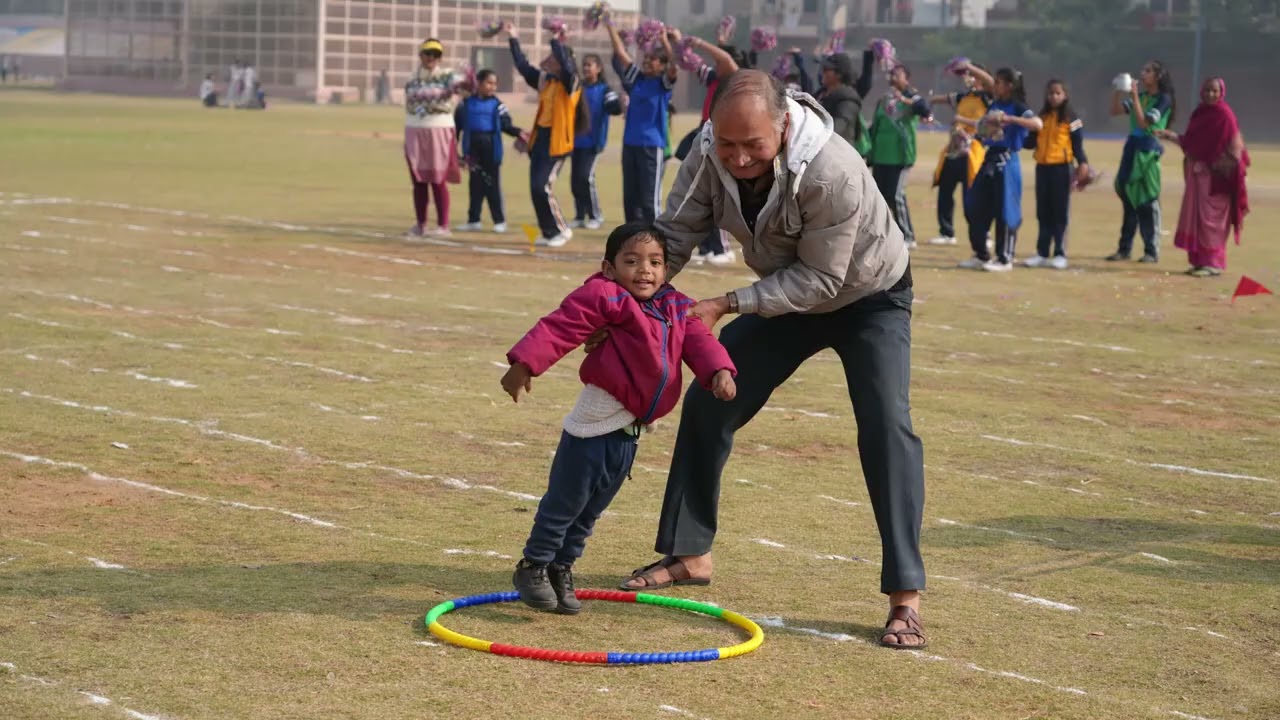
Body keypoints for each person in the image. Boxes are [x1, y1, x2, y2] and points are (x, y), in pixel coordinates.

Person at [613, 71, 929, 650]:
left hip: (868, 298)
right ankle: (689, 553)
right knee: (711, 393)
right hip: (789, 292)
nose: (736, 157)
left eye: (751, 145)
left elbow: (823, 279)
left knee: (887, 426)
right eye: (726, 142)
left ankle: (905, 597)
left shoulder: (832, 170)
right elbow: (674, 236)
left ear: (783, 125)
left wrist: (728, 303)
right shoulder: (709, 152)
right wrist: (614, 303)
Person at [501, 222, 737, 613]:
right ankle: (534, 565)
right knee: (566, 502)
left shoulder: (676, 306)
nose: (644, 270)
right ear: (609, 267)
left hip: (629, 435)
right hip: (593, 428)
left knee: (592, 509)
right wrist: (524, 364)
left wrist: (719, 372)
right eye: (632, 261)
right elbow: (561, 325)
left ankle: (562, 567)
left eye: (655, 262)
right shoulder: (605, 296)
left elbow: (699, 341)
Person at [1155, 77, 1250, 277]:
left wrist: (1221, 167)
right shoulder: (1199, 113)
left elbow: (1235, 149)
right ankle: (1200, 261)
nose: (1210, 94)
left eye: (1214, 91)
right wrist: (1170, 135)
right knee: (1198, 219)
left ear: (1221, 92)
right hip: (1198, 177)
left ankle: (1214, 263)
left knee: (1211, 221)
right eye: (1207, 90)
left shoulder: (1225, 115)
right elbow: (1191, 142)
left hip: (1217, 180)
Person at [504, 26, 582, 248]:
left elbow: (566, 66)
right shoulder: (546, 81)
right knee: (535, 188)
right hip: (540, 141)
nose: (548, 60)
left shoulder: (571, 83)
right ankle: (549, 232)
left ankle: (561, 229)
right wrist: (513, 38)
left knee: (542, 187)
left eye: (553, 58)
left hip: (557, 144)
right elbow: (522, 66)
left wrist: (556, 40)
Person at [958, 67, 1041, 272]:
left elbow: (1037, 124)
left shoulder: (1018, 107)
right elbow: (985, 128)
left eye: (999, 82)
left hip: (1007, 161)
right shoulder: (995, 104)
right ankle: (981, 254)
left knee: (1005, 210)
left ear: (1009, 86)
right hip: (989, 159)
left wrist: (1009, 120)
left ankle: (1005, 258)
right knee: (974, 205)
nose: (994, 86)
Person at [674, 28, 740, 267]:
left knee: (716, 195)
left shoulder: (735, 79)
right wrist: (674, 41)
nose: (716, 65)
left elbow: (726, 60)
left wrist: (701, 41)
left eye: (718, 61)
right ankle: (706, 246)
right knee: (700, 194)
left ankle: (722, 248)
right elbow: (690, 63)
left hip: (722, 138)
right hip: (705, 134)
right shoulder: (713, 79)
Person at [606, 22, 678, 225]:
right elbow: (620, 53)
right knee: (630, 199)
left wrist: (664, 40)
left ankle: (658, 242)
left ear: (662, 65)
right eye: (646, 58)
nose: (647, 62)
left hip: (651, 146)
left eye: (653, 59)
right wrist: (609, 24)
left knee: (649, 200)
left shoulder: (663, 83)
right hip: (630, 144)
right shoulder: (637, 79)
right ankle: (634, 239)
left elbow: (675, 64)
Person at [1107, 60, 1176, 264]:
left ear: (1158, 76)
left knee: (1147, 200)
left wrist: (1135, 96)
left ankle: (1151, 251)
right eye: (1142, 70)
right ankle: (1124, 249)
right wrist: (1118, 90)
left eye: (1147, 71)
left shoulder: (1164, 99)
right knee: (1128, 197)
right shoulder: (1143, 96)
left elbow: (1144, 122)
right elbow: (1114, 111)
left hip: (1148, 150)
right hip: (1132, 147)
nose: (1142, 74)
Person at [1022, 79, 1089, 269]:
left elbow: (1077, 144)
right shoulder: (1041, 116)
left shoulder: (1072, 117)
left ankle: (1060, 253)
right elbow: (1030, 142)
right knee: (1043, 212)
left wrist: (1083, 163)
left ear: (1065, 95)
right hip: (1042, 168)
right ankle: (1042, 253)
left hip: (1062, 168)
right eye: (1050, 93)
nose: (1053, 96)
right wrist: (1016, 132)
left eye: (1057, 93)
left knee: (1059, 212)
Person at [866, 61, 932, 250]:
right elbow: (876, 126)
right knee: (879, 198)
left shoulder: (912, 98)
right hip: (881, 155)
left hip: (900, 156)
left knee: (896, 196)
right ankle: (881, 233)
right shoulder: (884, 100)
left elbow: (924, 109)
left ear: (907, 79)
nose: (893, 77)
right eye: (892, 74)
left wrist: (903, 100)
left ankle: (908, 236)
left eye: (898, 74)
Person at [926, 62, 992, 246]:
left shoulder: (988, 97)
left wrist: (969, 66)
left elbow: (984, 123)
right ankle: (946, 232)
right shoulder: (963, 96)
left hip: (974, 151)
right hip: (954, 150)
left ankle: (983, 234)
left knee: (972, 196)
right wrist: (927, 101)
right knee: (945, 191)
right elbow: (942, 99)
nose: (969, 78)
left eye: (973, 76)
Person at [403, 38, 462, 238]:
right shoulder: (412, 78)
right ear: (420, 55)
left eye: (436, 55)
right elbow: (412, 101)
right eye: (428, 53)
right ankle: (420, 224)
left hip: (439, 129)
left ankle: (443, 225)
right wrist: (433, 98)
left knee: (438, 179)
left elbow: (456, 90)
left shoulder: (448, 76)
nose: (432, 58)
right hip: (415, 129)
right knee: (418, 179)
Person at [455, 69, 525, 234]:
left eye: (494, 83)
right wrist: (454, 152)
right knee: (475, 184)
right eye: (489, 83)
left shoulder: (498, 105)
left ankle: (499, 221)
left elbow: (507, 125)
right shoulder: (465, 104)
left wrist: (520, 133)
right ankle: (474, 220)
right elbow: (456, 128)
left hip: (491, 149)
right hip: (472, 150)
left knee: (492, 185)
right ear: (478, 83)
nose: (492, 87)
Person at [570, 54, 623, 230]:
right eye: (584, 65)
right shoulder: (578, 88)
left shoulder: (605, 90)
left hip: (593, 143)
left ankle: (595, 215)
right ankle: (579, 216)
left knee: (586, 177)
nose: (586, 69)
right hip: (576, 141)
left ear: (599, 68)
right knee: (575, 180)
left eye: (590, 65)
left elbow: (613, 107)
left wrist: (619, 105)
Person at [815, 49, 873, 152]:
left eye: (826, 69)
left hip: (837, 155)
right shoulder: (819, 95)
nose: (822, 72)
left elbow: (837, 128)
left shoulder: (848, 99)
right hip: (817, 153)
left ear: (839, 74)